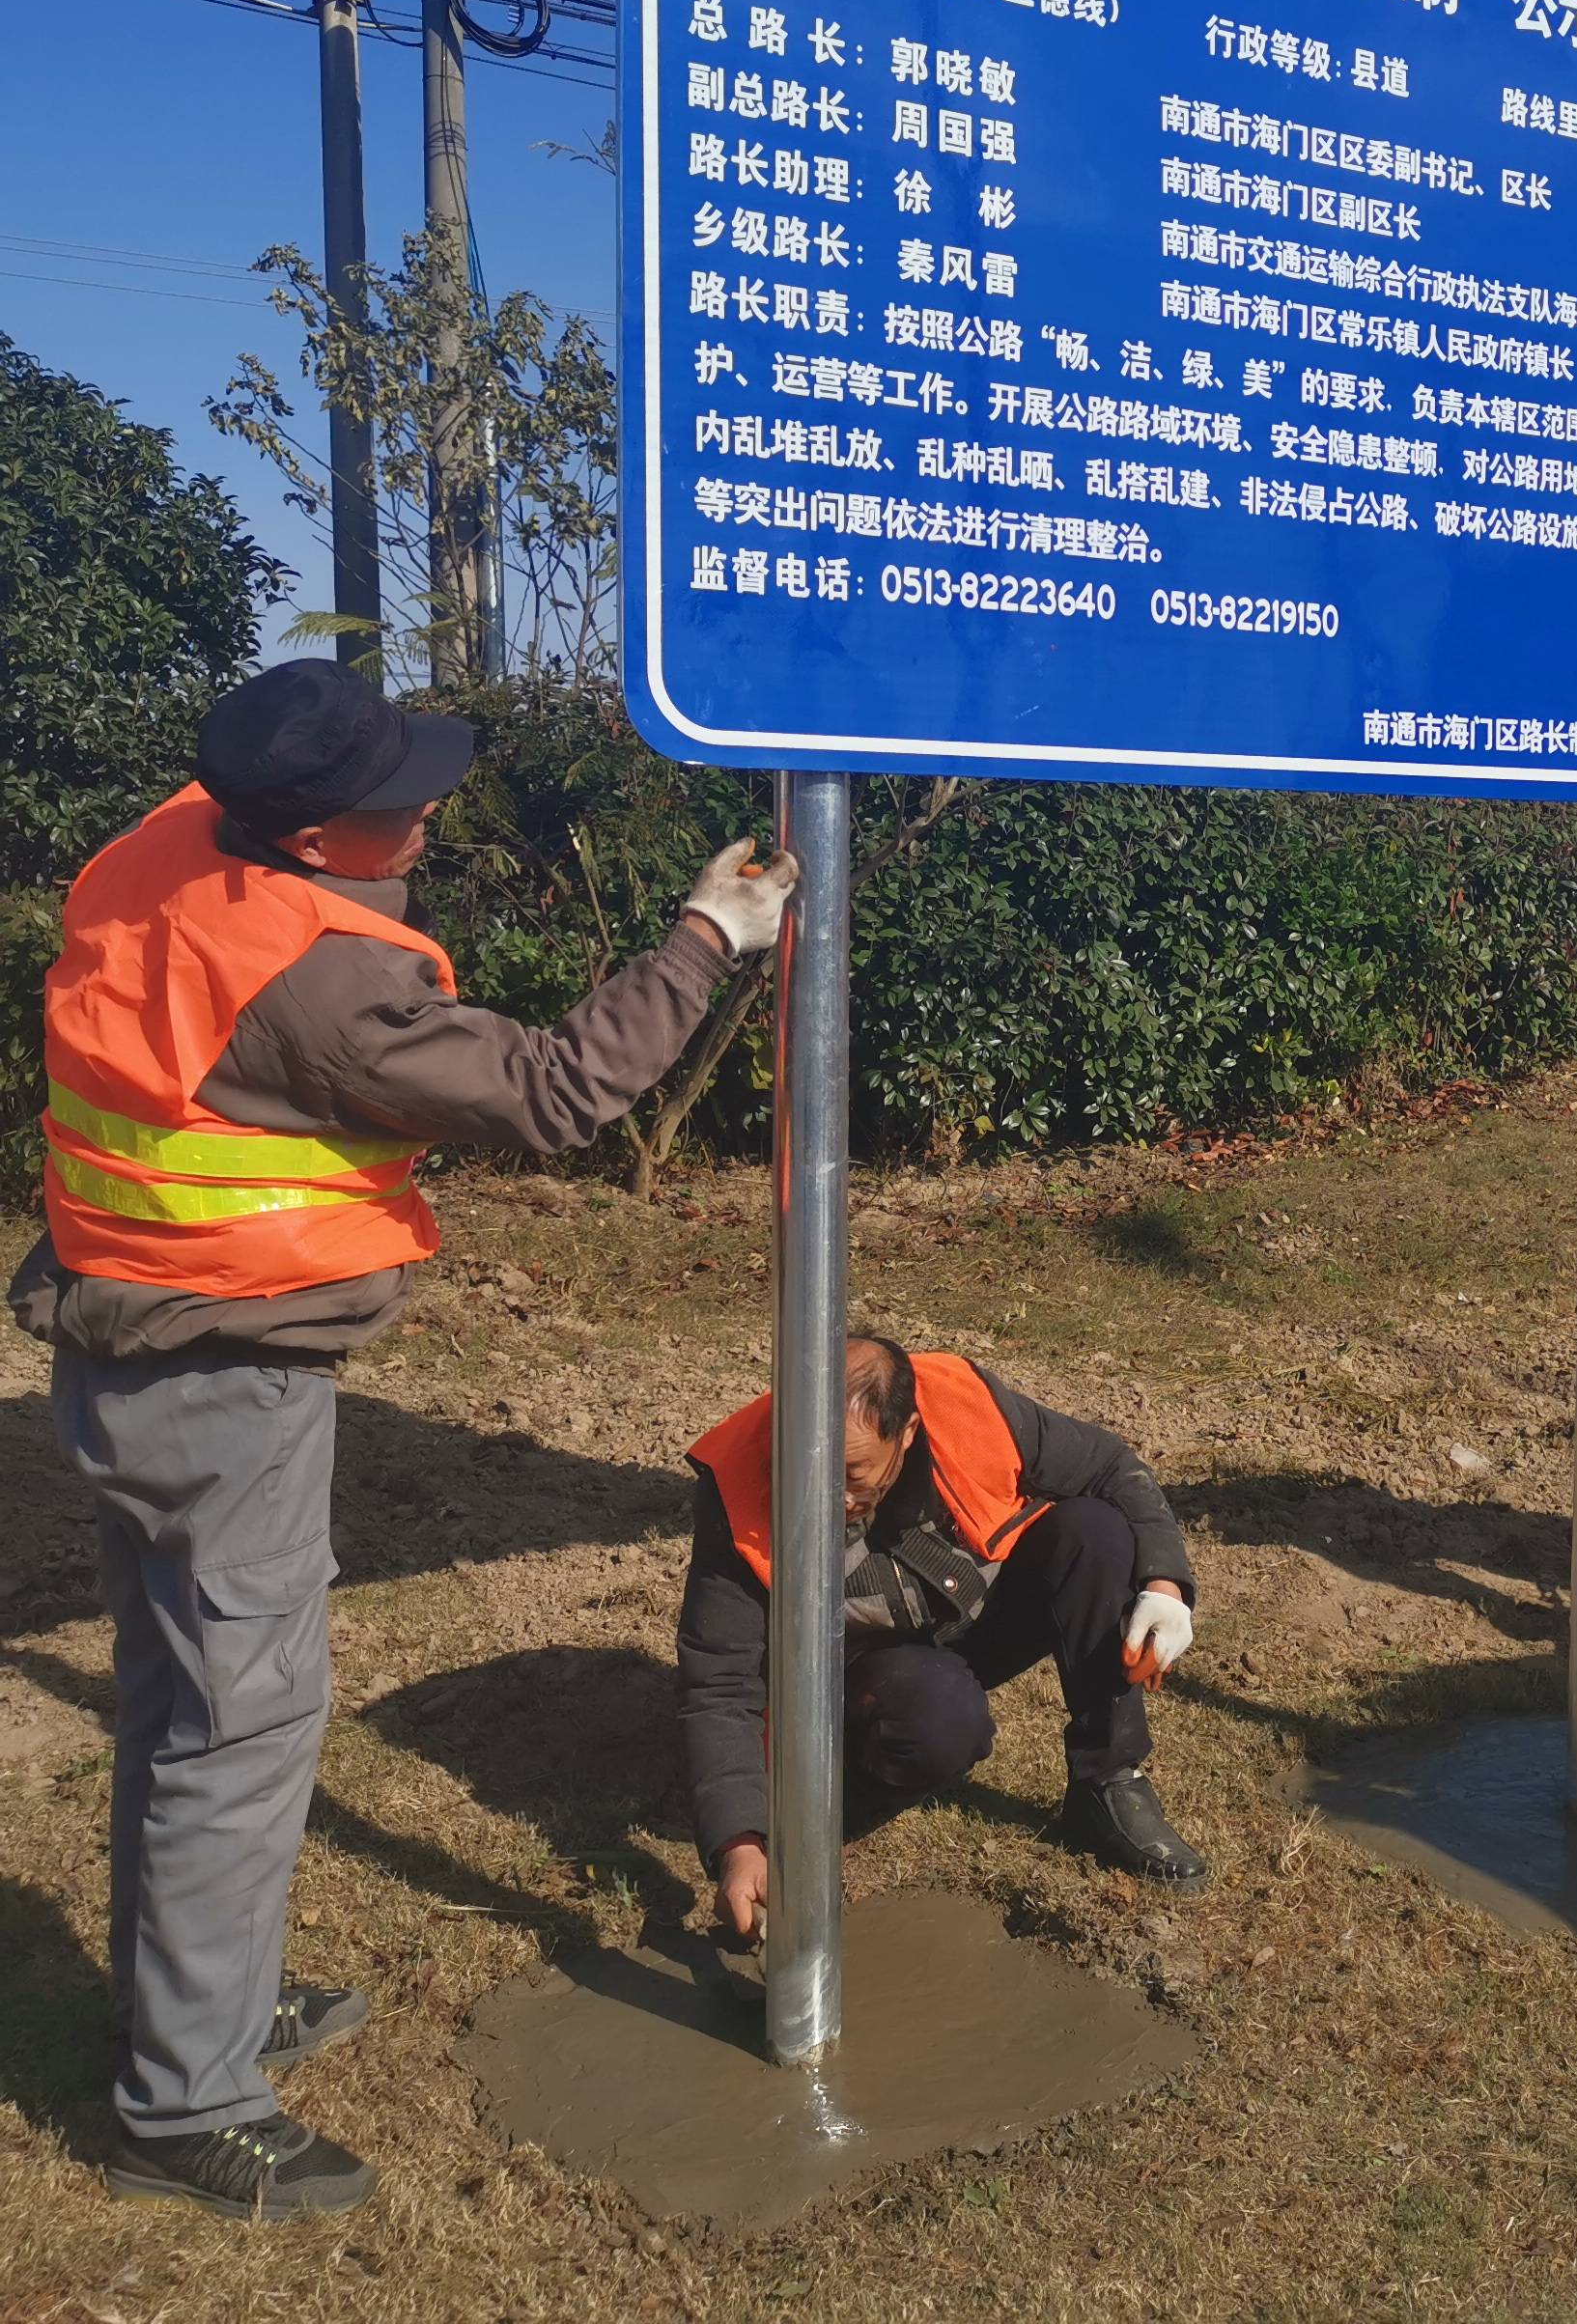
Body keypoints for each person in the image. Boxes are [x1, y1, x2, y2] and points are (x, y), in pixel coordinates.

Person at [12, 658, 799, 2222]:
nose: (432, 808)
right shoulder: (313, 975)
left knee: (179, 1711)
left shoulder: (168, 838)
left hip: (122, 1344)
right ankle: (186, 2103)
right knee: (239, 1737)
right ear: (310, 836)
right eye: (401, 800)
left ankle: (197, 2000)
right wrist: (714, 934)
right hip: (219, 1382)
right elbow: (558, 1092)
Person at [677, 1332, 1207, 1924]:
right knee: (941, 1721)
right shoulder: (740, 1485)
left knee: (1096, 1532)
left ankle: (1109, 1782)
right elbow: (720, 1683)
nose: (826, 1495)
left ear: (904, 1434)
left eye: (852, 1473)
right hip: (858, 1669)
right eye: (808, 1468)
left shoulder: (964, 1405)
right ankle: (846, 1791)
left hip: (963, 1613)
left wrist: (1165, 1587)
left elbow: (1109, 1465)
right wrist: (739, 1843)